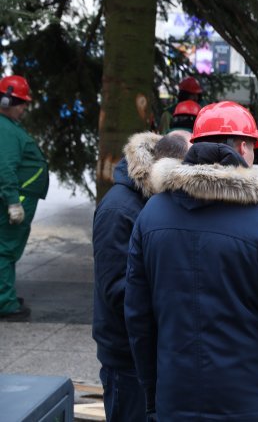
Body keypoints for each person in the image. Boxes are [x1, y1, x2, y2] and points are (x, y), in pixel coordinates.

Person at [125, 101, 258, 421]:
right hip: (249, 404)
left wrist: (151, 394)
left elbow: (138, 317)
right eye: (255, 149)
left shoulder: (152, 214)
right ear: (242, 147)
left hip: (175, 399)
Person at [92, 132, 189, 422]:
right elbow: (118, 291)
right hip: (127, 360)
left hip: (150, 352)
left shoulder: (153, 201)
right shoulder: (119, 209)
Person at [0, 75, 49, 321]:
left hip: (20, 192)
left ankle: (4, 295)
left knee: (7, 248)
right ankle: (4, 302)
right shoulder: (5, 128)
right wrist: (12, 201)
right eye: (22, 103)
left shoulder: (8, 125)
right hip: (17, 194)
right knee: (6, 249)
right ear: (8, 100)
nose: (25, 108)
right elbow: (5, 167)